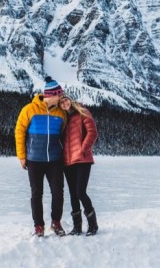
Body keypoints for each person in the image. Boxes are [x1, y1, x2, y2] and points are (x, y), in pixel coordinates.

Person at [15, 77, 68, 237]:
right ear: (52, 95)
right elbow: (19, 132)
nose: (61, 97)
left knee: (58, 192)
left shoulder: (61, 114)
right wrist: (22, 156)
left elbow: (63, 136)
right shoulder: (29, 110)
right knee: (36, 194)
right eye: (59, 95)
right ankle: (38, 226)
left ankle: (56, 222)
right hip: (34, 159)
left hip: (55, 160)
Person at [60, 96, 99, 236]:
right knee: (73, 194)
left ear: (69, 99)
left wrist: (83, 149)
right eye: (61, 103)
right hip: (67, 162)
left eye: (65, 100)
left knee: (80, 192)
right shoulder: (63, 118)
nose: (64, 103)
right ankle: (77, 227)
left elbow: (93, 132)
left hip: (82, 159)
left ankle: (93, 225)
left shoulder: (82, 111)